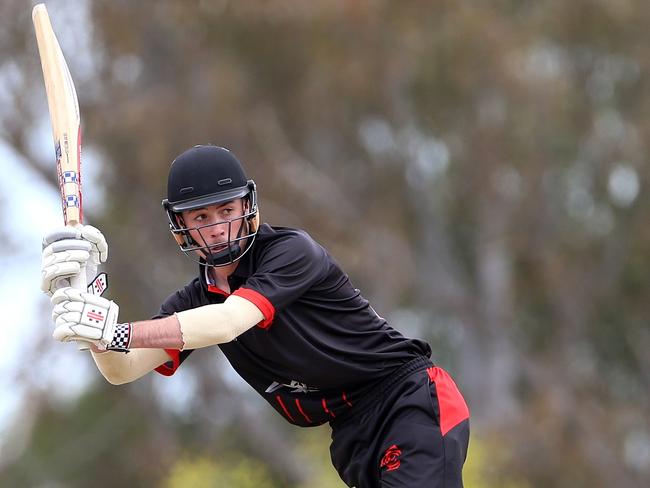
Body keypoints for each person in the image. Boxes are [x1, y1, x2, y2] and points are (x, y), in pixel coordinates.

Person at [41, 145, 470, 487]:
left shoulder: (290, 252)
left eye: (226, 211)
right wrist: (91, 314)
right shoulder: (194, 299)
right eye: (202, 217)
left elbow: (228, 321)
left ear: (247, 206)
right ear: (181, 227)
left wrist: (116, 331)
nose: (217, 227)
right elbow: (123, 369)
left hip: (408, 400)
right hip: (349, 431)